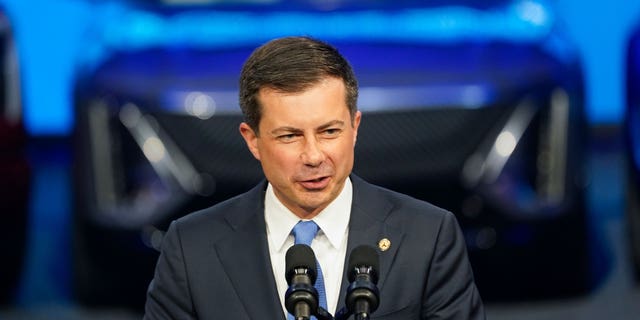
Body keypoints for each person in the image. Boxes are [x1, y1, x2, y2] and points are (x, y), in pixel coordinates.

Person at [144, 36, 485, 319]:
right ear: (252, 140)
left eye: (329, 131)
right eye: (290, 136)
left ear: (355, 128)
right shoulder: (191, 248)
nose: (314, 156)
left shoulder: (428, 237)